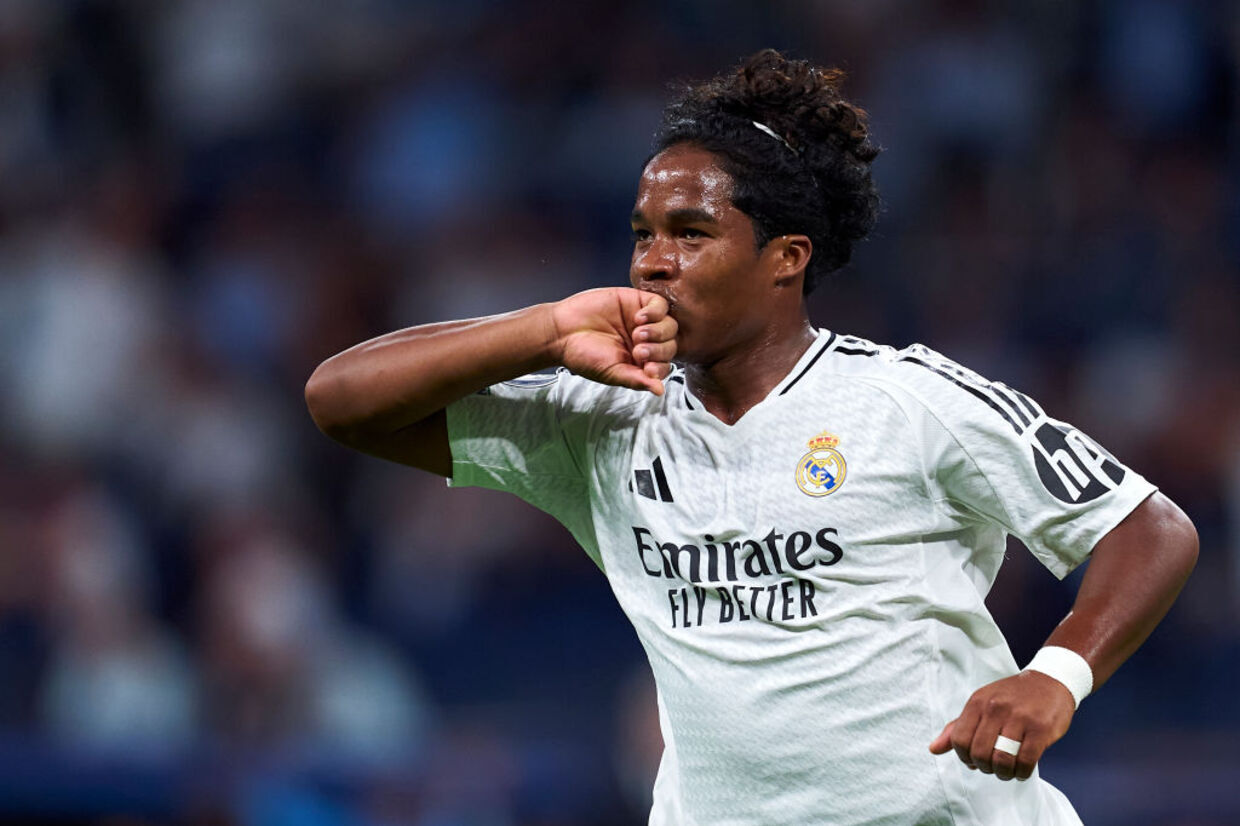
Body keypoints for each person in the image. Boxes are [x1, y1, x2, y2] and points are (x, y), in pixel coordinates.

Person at [305, 49, 1197, 825]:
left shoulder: (907, 400)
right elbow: (340, 400)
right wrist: (543, 328)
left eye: (692, 233)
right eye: (643, 235)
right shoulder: (602, 422)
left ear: (786, 259)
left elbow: (1149, 528)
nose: (655, 261)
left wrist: (1056, 676)